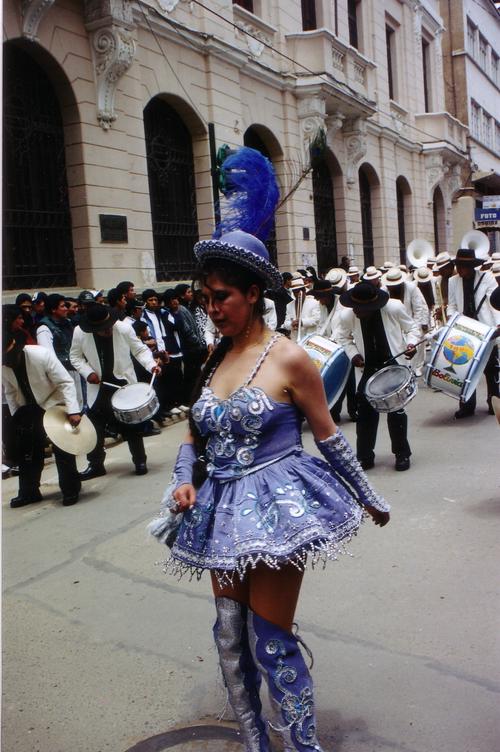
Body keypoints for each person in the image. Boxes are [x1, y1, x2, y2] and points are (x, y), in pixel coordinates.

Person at [150, 146, 390, 752]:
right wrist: (183, 479)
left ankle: (300, 746)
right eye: (206, 299)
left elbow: (329, 436)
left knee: (271, 640)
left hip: (278, 510)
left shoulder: (289, 357)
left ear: (253, 294)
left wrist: (368, 495)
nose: (212, 309)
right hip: (219, 510)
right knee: (229, 637)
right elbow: (193, 436)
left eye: (221, 298)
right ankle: (258, 743)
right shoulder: (215, 358)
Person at [336, 281, 420, 471]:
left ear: (371, 307)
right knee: (365, 415)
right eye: (354, 307)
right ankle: (364, 457)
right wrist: (353, 354)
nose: (356, 311)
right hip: (368, 367)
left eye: (360, 309)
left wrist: (411, 344)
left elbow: (412, 328)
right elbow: (343, 337)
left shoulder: (394, 308)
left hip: (393, 364)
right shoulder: (347, 315)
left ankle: (402, 454)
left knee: (396, 412)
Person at [70, 304, 160, 478]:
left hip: (123, 383)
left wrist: (151, 365)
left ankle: (140, 460)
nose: (107, 331)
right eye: (102, 329)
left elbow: (140, 350)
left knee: (130, 425)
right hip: (99, 386)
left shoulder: (124, 328)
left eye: (108, 327)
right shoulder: (79, 332)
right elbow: (75, 357)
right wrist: (88, 373)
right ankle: (96, 465)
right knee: (94, 427)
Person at [3, 327, 82, 507]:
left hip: (53, 404)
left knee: (62, 448)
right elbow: (10, 392)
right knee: (27, 452)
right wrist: (17, 419)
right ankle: (29, 492)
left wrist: (73, 411)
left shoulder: (41, 355)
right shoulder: (3, 366)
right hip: (28, 409)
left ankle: (71, 489)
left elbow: (65, 382)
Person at [447, 248, 499, 418]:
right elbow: (452, 305)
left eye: (462, 266)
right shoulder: (453, 281)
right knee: (465, 370)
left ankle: (494, 403)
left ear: (471, 267)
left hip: (486, 330)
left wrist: (498, 326)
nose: (459, 270)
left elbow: (495, 304)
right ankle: (467, 406)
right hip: (464, 331)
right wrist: (452, 322)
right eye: (458, 266)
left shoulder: (487, 278)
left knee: (491, 369)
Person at [37, 293, 83, 410]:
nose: (66, 309)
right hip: (61, 374)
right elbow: (49, 358)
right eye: (62, 306)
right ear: (53, 309)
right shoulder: (44, 328)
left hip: (74, 370)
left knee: (79, 404)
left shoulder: (67, 323)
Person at [381, 268, 429, 377]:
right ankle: (405, 371)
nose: (391, 288)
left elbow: (418, 310)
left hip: (412, 323)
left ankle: (417, 367)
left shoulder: (412, 288)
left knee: (415, 347)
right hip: (395, 326)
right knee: (401, 352)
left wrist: (416, 328)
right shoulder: (384, 291)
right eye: (390, 286)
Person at [283, 274, 320, 341]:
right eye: (295, 292)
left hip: (310, 338)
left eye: (299, 291)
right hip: (294, 338)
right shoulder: (289, 305)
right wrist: (292, 324)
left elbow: (316, 319)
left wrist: (302, 322)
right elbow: (286, 323)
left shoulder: (314, 302)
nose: (298, 295)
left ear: (304, 291)